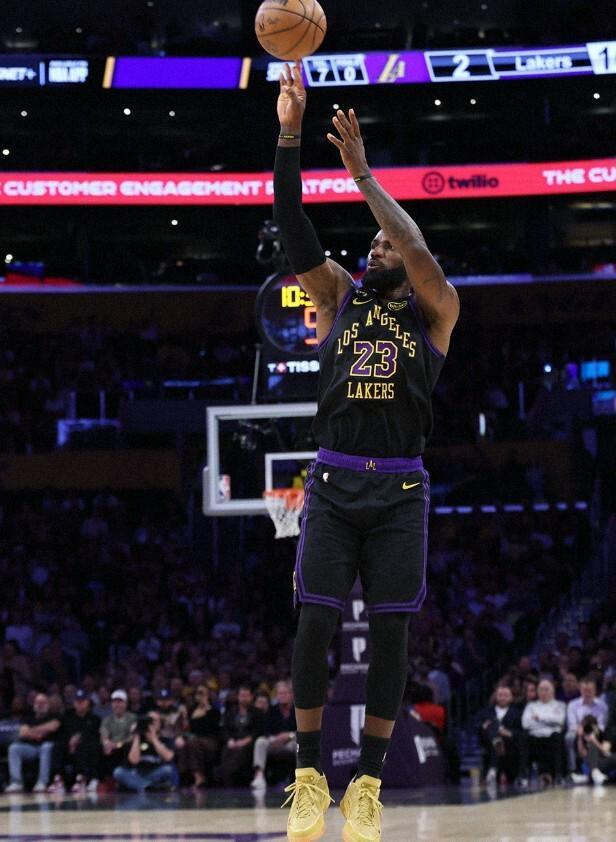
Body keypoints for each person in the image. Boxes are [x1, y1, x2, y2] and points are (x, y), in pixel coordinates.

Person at [273, 61, 459, 842]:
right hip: (336, 481)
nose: (378, 245)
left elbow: (413, 241)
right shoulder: (339, 295)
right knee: (314, 624)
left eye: (388, 243)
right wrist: (290, 136)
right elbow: (293, 225)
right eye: (373, 241)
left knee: (390, 635)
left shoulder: (437, 309)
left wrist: (363, 175)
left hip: (401, 493)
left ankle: (369, 785)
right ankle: (310, 775)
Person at [47, 688, 101, 794]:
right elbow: (61, 733)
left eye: (83, 701)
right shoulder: (67, 716)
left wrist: (78, 740)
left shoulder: (95, 719)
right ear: (74, 702)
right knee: (57, 745)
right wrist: (69, 742)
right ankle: (58, 779)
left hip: (86, 749)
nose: (80, 703)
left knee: (84, 746)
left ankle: (81, 779)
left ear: (88, 702)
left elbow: (94, 736)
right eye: (77, 701)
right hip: (68, 747)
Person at [5, 692, 61, 793]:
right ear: (34, 704)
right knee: (14, 748)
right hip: (31, 748)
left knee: (46, 746)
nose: (40, 705)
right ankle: (16, 782)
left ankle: (42, 782)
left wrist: (31, 731)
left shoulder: (54, 716)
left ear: (48, 704)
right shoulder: (28, 717)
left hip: (47, 749)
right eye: (38, 702)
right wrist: (41, 731)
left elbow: (52, 727)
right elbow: (23, 733)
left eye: (43, 702)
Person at [113, 711, 176, 793]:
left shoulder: (165, 739)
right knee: (118, 772)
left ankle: (141, 786)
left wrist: (154, 739)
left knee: (168, 770)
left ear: (160, 724)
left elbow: (169, 757)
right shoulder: (135, 739)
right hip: (136, 773)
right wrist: (136, 737)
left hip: (155, 772)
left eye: (154, 720)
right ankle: (149, 787)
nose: (152, 723)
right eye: (149, 720)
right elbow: (134, 761)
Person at [251, 680, 297, 791]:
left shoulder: (297, 710)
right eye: (280, 694)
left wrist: (289, 735)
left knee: (300, 743)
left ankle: (302, 777)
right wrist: (275, 738)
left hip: (291, 743)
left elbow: (302, 731)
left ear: (291, 695)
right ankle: (259, 776)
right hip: (275, 743)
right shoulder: (271, 711)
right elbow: (266, 731)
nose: (282, 696)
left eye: (285, 693)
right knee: (260, 742)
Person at [519, 678, 566, 786]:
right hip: (534, 737)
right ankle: (523, 776)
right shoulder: (531, 706)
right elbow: (526, 724)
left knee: (557, 737)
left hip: (552, 737)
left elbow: (559, 721)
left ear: (552, 691)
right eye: (541, 689)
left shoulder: (560, 705)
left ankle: (559, 776)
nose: (543, 692)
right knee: (523, 737)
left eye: (546, 689)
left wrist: (539, 718)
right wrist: (549, 721)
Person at [217, 685, 265, 787]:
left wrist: (245, 741)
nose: (244, 698)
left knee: (242, 751)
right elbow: (225, 729)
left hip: (249, 741)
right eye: (242, 696)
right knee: (226, 750)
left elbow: (258, 731)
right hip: (234, 740)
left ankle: (225, 773)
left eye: (246, 696)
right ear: (238, 697)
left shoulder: (257, 712)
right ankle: (225, 777)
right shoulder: (231, 712)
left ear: (251, 697)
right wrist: (229, 740)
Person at [176, 684, 221, 789]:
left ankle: (199, 776)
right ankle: (183, 778)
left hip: (210, 740)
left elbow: (211, 729)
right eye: (197, 693)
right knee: (182, 745)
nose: (199, 696)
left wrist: (205, 709)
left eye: (202, 693)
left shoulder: (214, 711)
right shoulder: (191, 710)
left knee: (193, 742)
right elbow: (187, 729)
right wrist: (184, 718)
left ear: (208, 695)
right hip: (194, 739)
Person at [478, 686, 522, 785]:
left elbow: (520, 732)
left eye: (506, 695)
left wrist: (508, 733)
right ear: (495, 697)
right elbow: (478, 727)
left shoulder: (517, 713)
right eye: (500, 695)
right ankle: (494, 765)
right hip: (489, 743)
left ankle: (494, 767)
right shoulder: (486, 712)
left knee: (498, 736)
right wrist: (484, 727)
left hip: (509, 744)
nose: (502, 698)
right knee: (493, 727)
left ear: (511, 698)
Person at [565, 677, 608, 773]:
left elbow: (602, 726)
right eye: (585, 690)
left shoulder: (602, 706)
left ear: (595, 690)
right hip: (578, 732)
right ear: (580, 690)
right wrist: (582, 732)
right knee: (569, 737)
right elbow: (572, 725)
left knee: (598, 737)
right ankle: (572, 769)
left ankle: (598, 768)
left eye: (590, 690)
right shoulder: (572, 705)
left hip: (596, 732)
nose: (587, 693)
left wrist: (590, 733)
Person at [99, 689, 137, 782]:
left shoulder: (132, 718)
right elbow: (104, 733)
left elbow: (133, 736)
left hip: (126, 747)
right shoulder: (107, 720)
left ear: (126, 703)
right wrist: (106, 743)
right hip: (111, 748)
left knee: (127, 747)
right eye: (115, 702)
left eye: (120, 702)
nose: (117, 705)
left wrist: (118, 744)